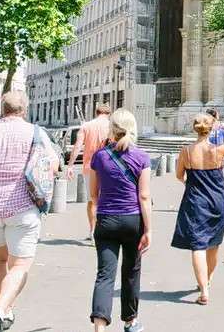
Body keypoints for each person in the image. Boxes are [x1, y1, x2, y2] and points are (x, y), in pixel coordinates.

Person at [0, 90, 58, 332]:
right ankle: (0, 309)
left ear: (2, 110)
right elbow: (53, 165)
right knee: (19, 266)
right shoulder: (36, 133)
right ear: (24, 110)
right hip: (22, 207)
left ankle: (3, 314)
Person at [88, 109, 152, 332]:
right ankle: (130, 321)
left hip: (106, 219)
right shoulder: (142, 157)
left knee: (105, 274)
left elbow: (93, 195)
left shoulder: (99, 156)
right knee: (131, 271)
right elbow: (144, 196)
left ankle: (99, 327)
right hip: (133, 220)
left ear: (112, 129)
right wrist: (149, 230)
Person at [172, 113, 224, 305]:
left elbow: (179, 176)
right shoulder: (219, 150)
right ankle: (208, 279)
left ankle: (204, 289)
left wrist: (192, 183)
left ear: (195, 128)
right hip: (218, 201)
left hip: (195, 201)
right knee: (214, 244)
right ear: (211, 129)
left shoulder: (185, 152)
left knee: (198, 245)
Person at [70, 104, 113, 238]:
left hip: (90, 167)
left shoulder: (86, 126)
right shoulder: (112, 126)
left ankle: (93, 230)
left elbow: (77, 146)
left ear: (96, 112)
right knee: (108, 199)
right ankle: (105, 230)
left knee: (92, 200)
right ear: (108, 114)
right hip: (109, 167)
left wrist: (70, 165)